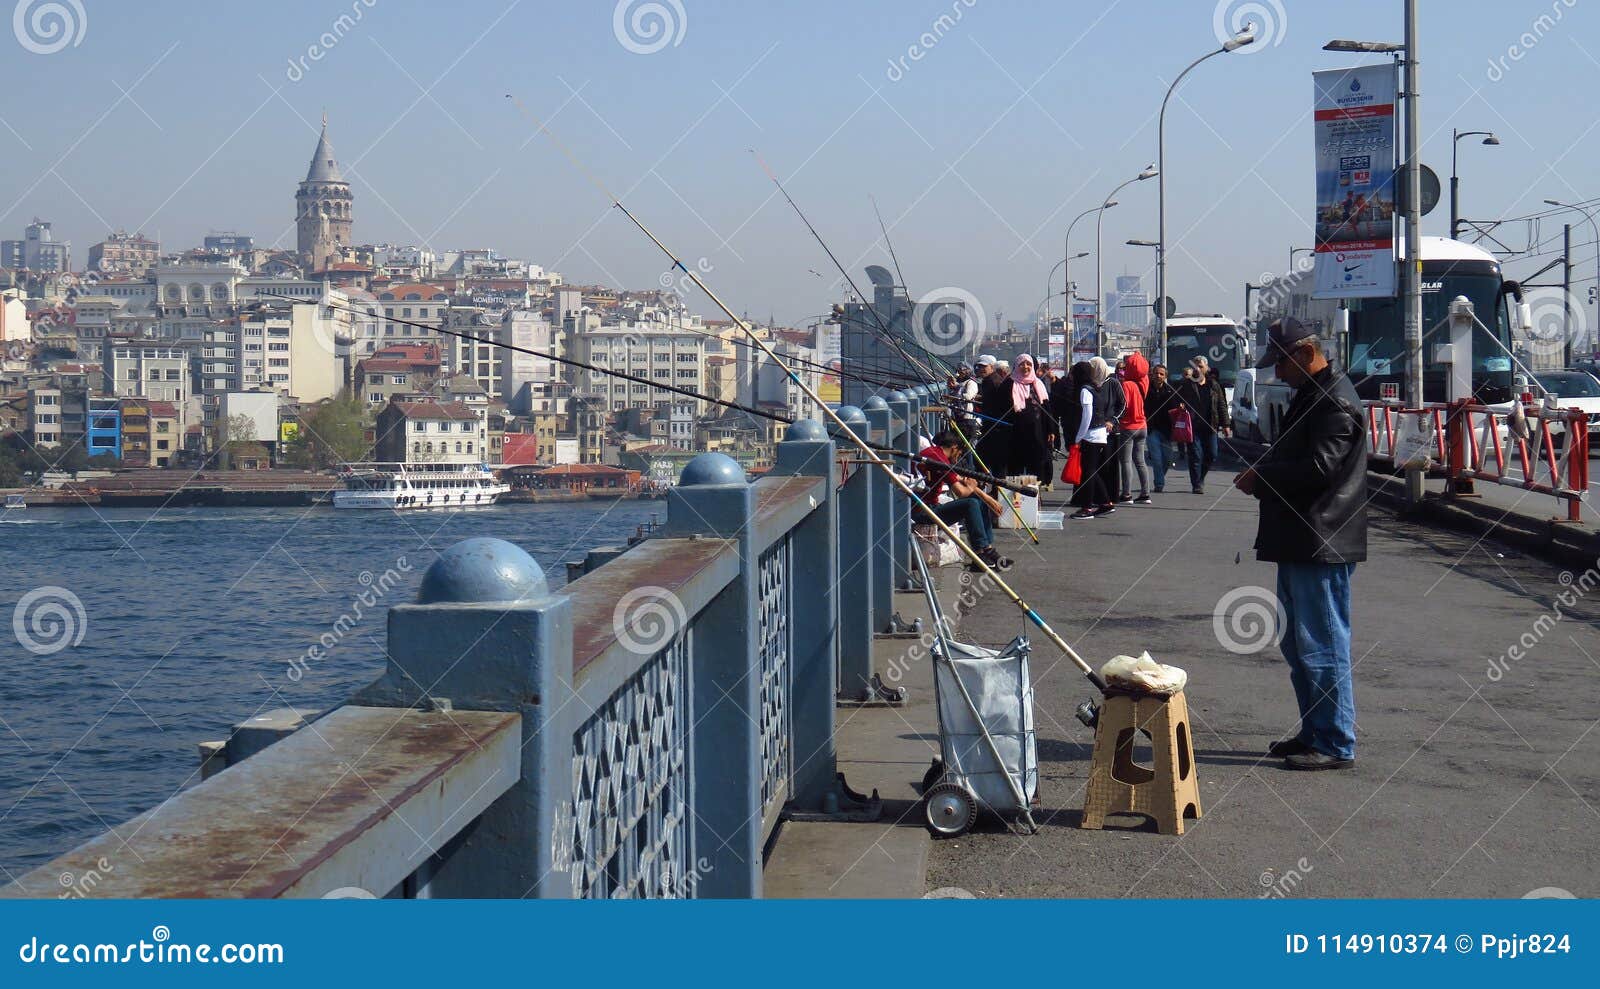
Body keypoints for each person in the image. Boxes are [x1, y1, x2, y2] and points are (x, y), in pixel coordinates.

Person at [1234, 318, 1366, 771]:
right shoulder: (1314, 394)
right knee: (1300, 645)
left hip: (1321, 538)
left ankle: (1334, 740)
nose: (1278, 373)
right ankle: (1316, 730)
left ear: (1307, 355)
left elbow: (1320, 467)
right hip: (1303, 538)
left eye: (1284, 363)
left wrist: (1262, 478)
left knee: (1322, 644)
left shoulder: (1333, 401)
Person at [918, 429, 1012, 570]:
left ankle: (988, 550)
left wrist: (986, 497)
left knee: (979, 501)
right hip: (924, 511)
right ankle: (980, 553)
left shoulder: (935, 453)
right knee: (970, 503)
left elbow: (961, 480)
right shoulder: (940, 460)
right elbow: (961, 492)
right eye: (960, 453)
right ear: (954, 448)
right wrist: (973, 486)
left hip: (930, 507)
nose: (959, 457)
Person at [1173, 355, 1230, 494]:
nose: (1197, 368)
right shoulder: (1186, 385)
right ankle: (1196, 484)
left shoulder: (1214, 385)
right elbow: (1175, 400)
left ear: (1206, 368)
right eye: (1195, 366)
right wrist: (1179, 405)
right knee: (1195, 455)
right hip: (1192, 426)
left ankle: (1201, 477)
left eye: (1200, 366)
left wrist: (1226, 424)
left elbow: (1221, 405)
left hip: (1210, 425)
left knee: (1212, 454)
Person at [1067, 361, 1115, 519]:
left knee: (1088, 472)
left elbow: (1087, 415)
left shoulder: (1084, 390)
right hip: (1100, 434)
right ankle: (1105, 503)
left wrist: (1078, 437)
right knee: (1092, 471)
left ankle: (1087, 508)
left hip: (1091, 435)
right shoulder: (1095, 388)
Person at [1004, 353, 1056, 483]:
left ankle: (1032, 497)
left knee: (1036, 465)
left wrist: (1051, 430)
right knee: (1015, 467)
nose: (1025, 367)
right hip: (1015, 433)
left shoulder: (1038, 384)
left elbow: (1047, 408)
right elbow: (1001, 408)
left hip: (1038, 432)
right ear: (1016, 366)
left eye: (1028, 364)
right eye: (1022, 364)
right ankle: (1015, 499)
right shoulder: (1009, 384)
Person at [1115, 351, 1152, 504]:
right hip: (1142, 425)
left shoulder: (1126, 385)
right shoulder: (1144, 381)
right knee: (1140, 460)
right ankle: (1145, 493)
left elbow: (1125, 406)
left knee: (1125, 461)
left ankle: (1126, 494)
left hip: (1128, 426)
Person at [1144, 363, 1178, 493]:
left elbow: (1175, 410)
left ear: (1165, 376)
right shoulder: (1147, 389)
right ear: (1152, 375)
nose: (1158, 376)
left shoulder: (1170, 391)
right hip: (1152, 429)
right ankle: (1159, 483)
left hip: (1167, 430)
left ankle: (1160, 477)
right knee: (1156, 458)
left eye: (1161, 374)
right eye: (1156, 373)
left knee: (1168, 459)